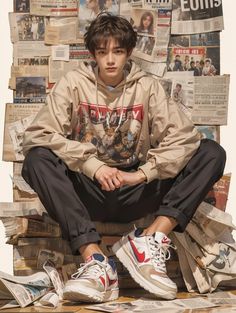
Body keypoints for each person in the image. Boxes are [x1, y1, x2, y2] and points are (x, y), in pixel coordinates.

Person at [22, 13, 226, 303]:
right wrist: (93, 166)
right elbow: (38, 134)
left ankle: (149, 240)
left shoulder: (148, 87)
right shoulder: (73, 83)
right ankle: (97, 263)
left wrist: (143, 174)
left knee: (210, 152)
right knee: (36, 159)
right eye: (103, 52)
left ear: (129, 52)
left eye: (117, 51)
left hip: (135, 187)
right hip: (89, 189)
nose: (110, 60)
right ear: (93, 54)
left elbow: (185, 139)